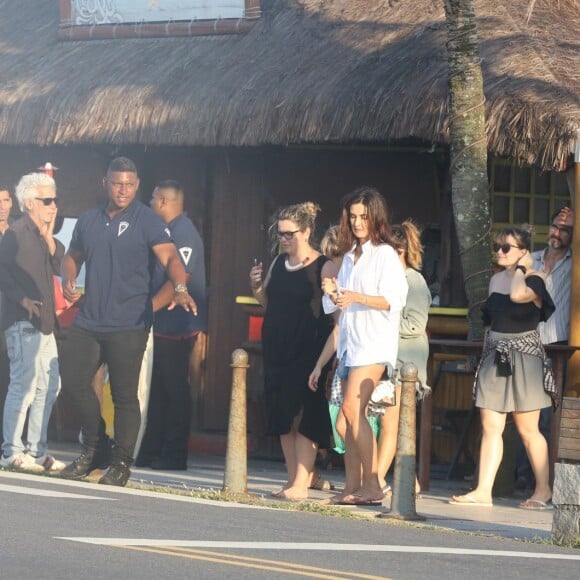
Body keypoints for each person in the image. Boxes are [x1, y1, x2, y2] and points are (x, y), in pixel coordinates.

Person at [59, 157, 197, 487]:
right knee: (74, 381)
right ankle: (96, 448)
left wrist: (179, 287)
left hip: (129, 322)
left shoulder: (147, 220)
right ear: (105, 183)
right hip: (90, 318)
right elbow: (72, 255)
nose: (123, 190)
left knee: (124, 396)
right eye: (117, 183)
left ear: (137, 186)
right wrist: (69, 277)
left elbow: (171, 258)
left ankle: (121, 463)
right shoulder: (89, 219)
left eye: (130, 184)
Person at [450, 226, 555, 509]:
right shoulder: (495, 280)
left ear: (523, 251)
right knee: (490, 425)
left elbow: (519, 296)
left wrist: (521, 268)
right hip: (496, 353)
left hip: (525, 355)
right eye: (497, 247)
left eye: (506, 247)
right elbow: (489, 321)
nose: (499, 252)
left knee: (527, 428)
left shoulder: (535, 278)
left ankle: (543, 489)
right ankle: (484, 489)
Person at [321, 187, 408, 505]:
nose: (357, 222)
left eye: (363, 217)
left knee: (351, 410)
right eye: (353, 216)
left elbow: (395, 300)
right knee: (344, 421)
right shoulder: (348, 257)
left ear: (376, 218)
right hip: (350, 344)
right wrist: (332, 293)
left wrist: (356, 297)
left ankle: (373, 484)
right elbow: (336, 306)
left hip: (374, 344)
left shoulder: (385, 253)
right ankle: (351, 486)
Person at [249, 202, 336, 500]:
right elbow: (268, 304)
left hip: (309, 348)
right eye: (280, 234)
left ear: (307, 231)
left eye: (290, 234)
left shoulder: (324, 265)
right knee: (282, 412)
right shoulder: (277, 263)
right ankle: (292, 479)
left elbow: (335, 315)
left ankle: (303, 480)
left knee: (304, 412)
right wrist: (256, 288)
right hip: (277, 345)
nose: (284, 239)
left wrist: (325, 359)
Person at [136, 180, 207, 470]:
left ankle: (175, 454)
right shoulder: (165, 232)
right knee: (159, 390)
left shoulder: (183, 233)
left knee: (175, 390)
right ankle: (152, 449)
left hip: (177, 323)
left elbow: (180, 280)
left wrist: (147, 310)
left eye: (152, 198)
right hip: (162, 322)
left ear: (164, 201)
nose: (150, 203)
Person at [0, 173, 66, 471]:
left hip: (46, 324)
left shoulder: (41, 236)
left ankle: (37, 451)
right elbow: (1, 270)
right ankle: (11, 451)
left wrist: (49, 233)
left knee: (49, 385)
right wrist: (22, 300)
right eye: (47, 200)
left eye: (55, 200)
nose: (54, 206)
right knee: (23, 386)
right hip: (23, 321)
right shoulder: (16, 232)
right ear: (29, 203)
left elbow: (60, 262)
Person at [515, 206, 574, 490]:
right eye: (555, 227)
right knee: (523, 410)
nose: (557, 233)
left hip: (557, 345)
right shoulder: (532, 259)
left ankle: (545, 478)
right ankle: (523, 473)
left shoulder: (575, 263)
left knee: (550, 414)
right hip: (526, 340)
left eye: (565, 230)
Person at [376, 220, 431, 496]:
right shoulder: (386, 280)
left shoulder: (413, 281)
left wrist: (380, 319)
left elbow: (415, 324)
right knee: (390, 423)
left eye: (396, 252)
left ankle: (375, 481)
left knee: (390, 422)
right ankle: (409, 480)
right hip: (387, 358)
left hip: (405, 362)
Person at [0, 187, 13, 438]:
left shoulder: (19, 233)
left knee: (10, 376)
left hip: (12, 313)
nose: (2, 205)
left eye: (5, 200)